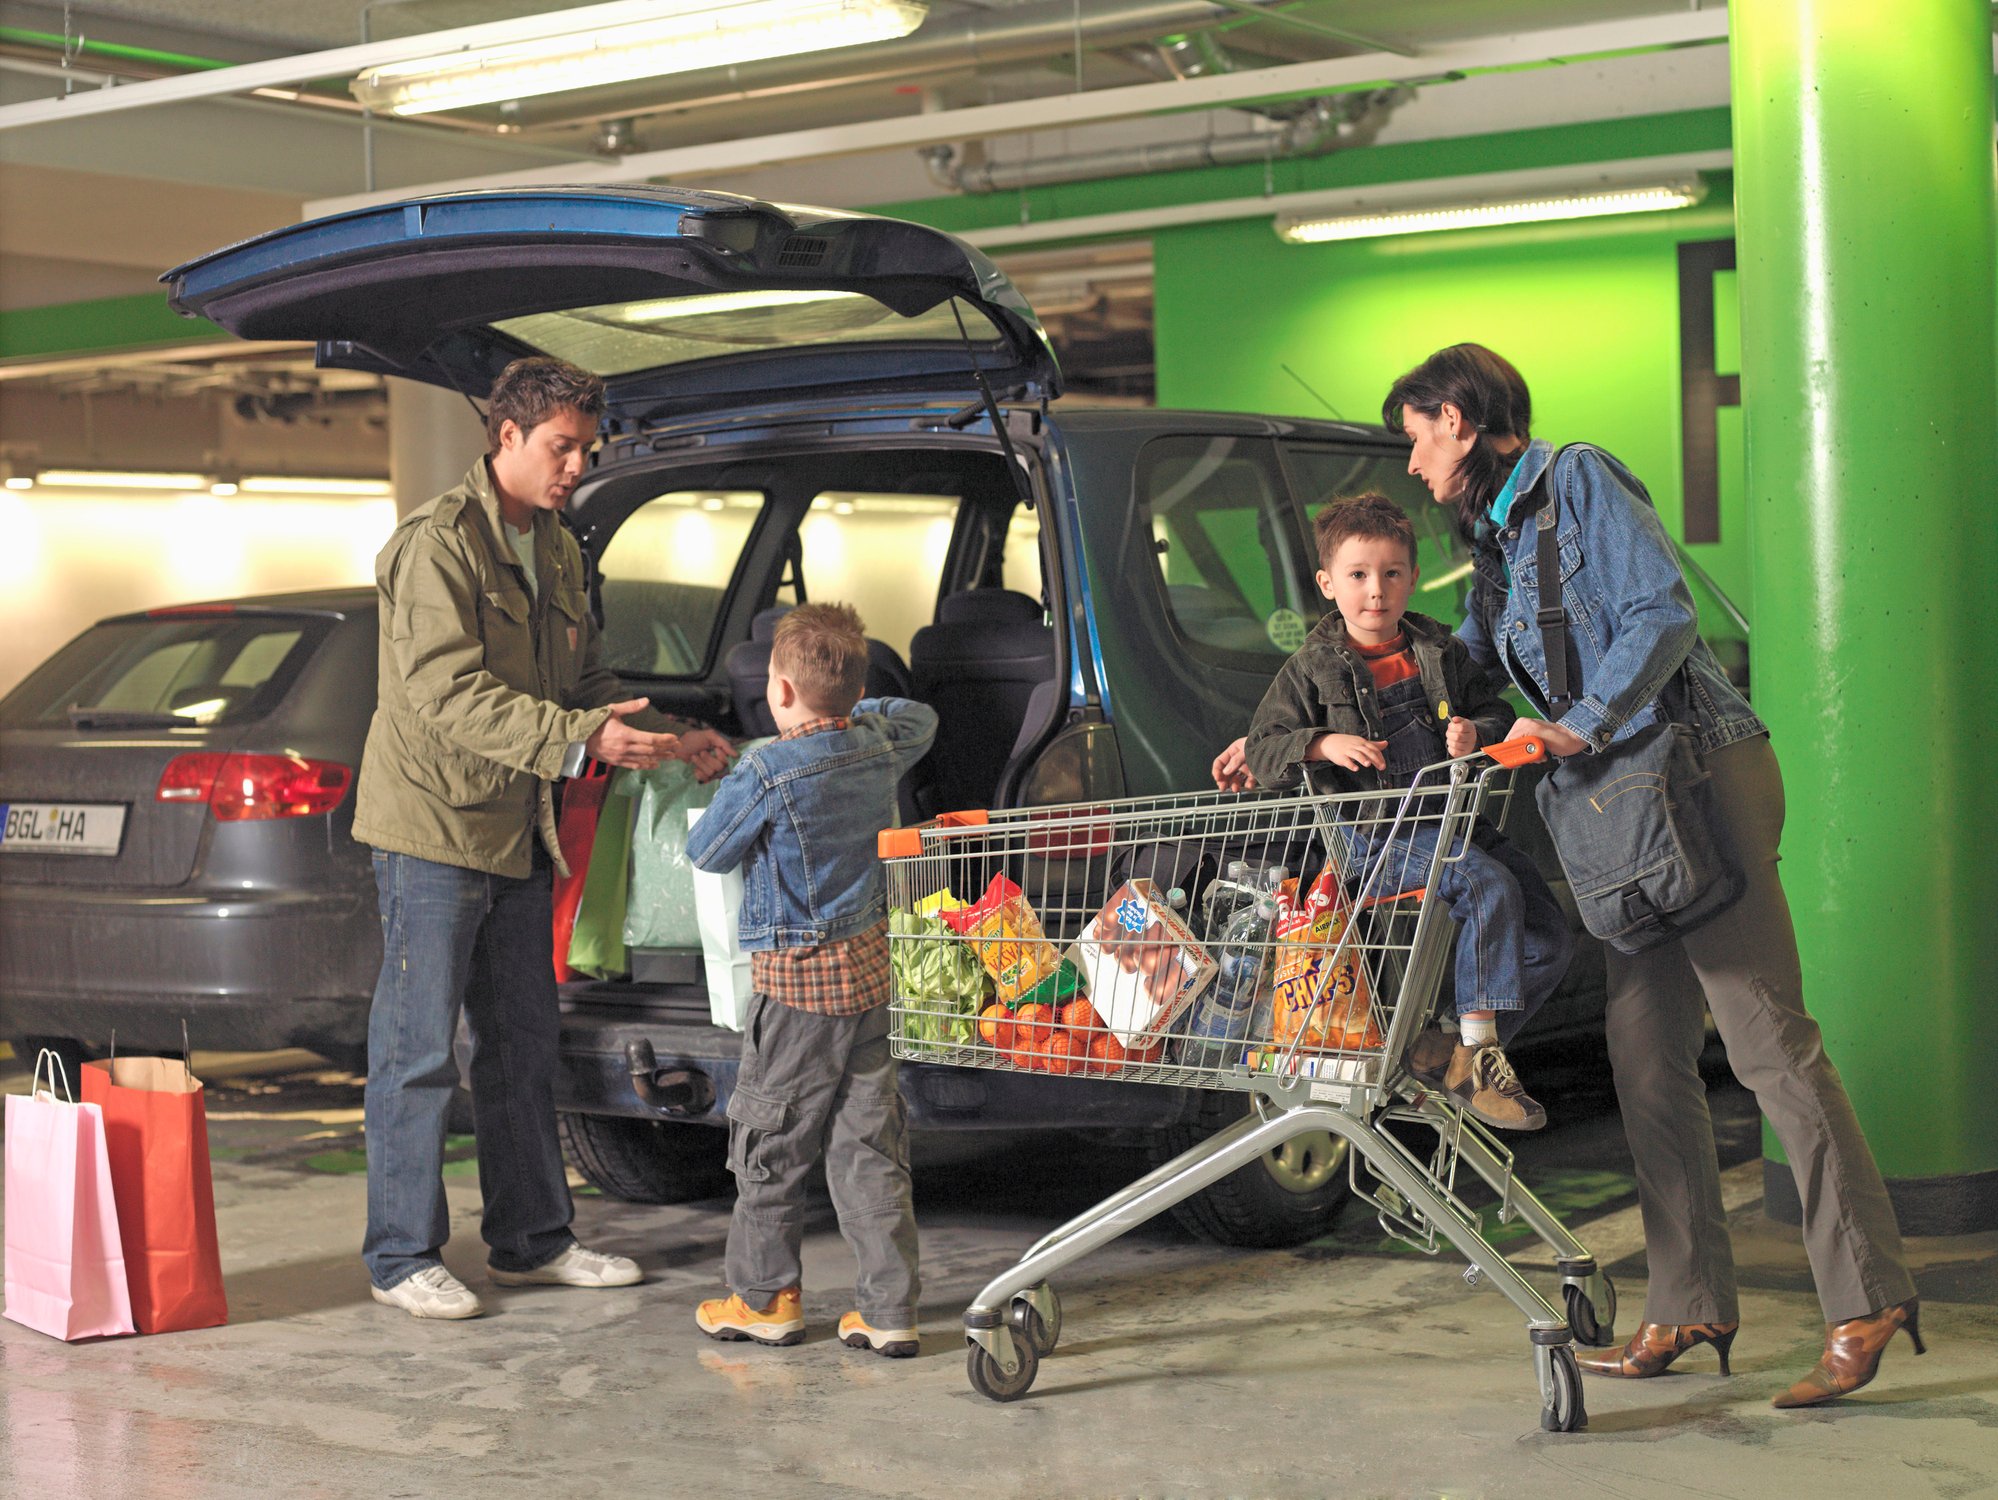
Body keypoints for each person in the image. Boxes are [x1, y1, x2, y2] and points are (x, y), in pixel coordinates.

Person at [1384, 342, 1920, 1407]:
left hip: (1695, 780)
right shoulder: (1495, 538)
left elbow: (1661, 616)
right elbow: (1487, 662)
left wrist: (1577, 726)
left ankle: (1866, 1297)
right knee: (1643, 1052)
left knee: (1767, 1041)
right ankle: (1688, 1302)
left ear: (1459, 417)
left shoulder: (1574, 478)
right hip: (1623, 816)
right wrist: (1446, 711)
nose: (1410, 464)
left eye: (1414, 436)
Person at [355, 355, 734, 1320]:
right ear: (506, 436)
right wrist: (575, 737)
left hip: (518, 829)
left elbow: (582, 680)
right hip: (433, 828)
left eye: (584, 450)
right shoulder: (435, 547)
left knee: (523, 1045)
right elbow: (445, 694)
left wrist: (660, 735)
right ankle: (401, 1257)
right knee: (418, 1051)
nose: (575, 466)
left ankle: (531, 1240)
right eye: (561, 447)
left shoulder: (558, 548)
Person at [1242, 493, 1573, 1130]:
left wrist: (1477, 733)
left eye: (1392, 573)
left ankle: (1441, 1042)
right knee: (1486, 884)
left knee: (1549, 940)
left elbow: (1497, 714)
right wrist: (1320, 742)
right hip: (1373, 841)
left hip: (1453, 826)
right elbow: (1263, 750)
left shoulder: (1439, 652)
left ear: (1413, 578)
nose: (1376, 591)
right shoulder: (1310, 669)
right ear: (1327, 583)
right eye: (1359, 575)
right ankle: (1478, 1061)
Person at [685, 603, 937, 1357]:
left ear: (782, 692)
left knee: (770, 1142)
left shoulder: (765, 767)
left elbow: (707, 851)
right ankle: (889, 1309)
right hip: (869, 974)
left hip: (796, 987)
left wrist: (756, 758)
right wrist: (856, 707)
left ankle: (765, 1299)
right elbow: (918, 715)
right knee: (870, 1147)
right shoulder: (877, 742)